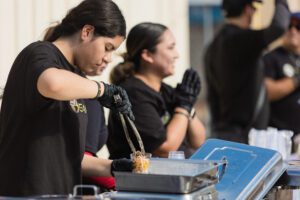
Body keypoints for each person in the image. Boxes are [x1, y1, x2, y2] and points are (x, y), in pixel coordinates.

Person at [0, 0, 134, 196]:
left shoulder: (76, 79)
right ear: (87, 31)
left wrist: (112, 167)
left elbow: (72, 157)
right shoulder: (39, 53)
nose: (108, 58)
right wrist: (103, 90)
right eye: (107, 47)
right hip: (25, 194)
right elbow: (51, 83)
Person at [107, 22, 206, 159]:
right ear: (147, 55)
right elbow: (165, 148)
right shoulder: (132, 93)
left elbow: (198, 141)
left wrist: (187, 104)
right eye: (170, 48)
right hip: (141, 178)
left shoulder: (165, 90)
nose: (176, 55)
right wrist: (183, 107)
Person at [204, 0, 290, 143]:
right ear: (247, 9)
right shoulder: (240, 40)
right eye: (254, 8)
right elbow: (279, 27)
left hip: (223, 133)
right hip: (241, 138)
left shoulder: (214, 45)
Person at [263, 12, 300, 136]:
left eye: (298, 27)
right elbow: (267, 92)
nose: (293, 31)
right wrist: (296, 79)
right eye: (289, 26)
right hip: (279, 136)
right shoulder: (271, 58)